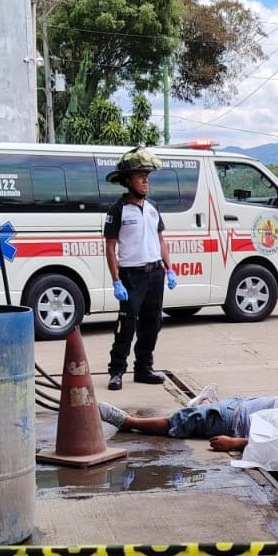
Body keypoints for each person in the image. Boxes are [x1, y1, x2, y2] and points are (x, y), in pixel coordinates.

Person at [103, 148, 176, 391]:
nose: (146, 181)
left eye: (148, 177)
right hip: (131, 276)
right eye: (140, 176)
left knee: (152, 322)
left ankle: (143, 368)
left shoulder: (153, 207)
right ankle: (116, 371)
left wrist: (169, 268)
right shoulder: (118, 210)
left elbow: (161, 240)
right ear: (128, 181)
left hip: (155, 273)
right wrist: (116, 280)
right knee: (127, 324)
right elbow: (110, 248)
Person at [97, 394, 278, 454]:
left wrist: (236, 443)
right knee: (204, 413)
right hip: (241, 407)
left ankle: (129, 422)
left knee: (179, 422)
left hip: (231, 421)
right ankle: (205, 405)